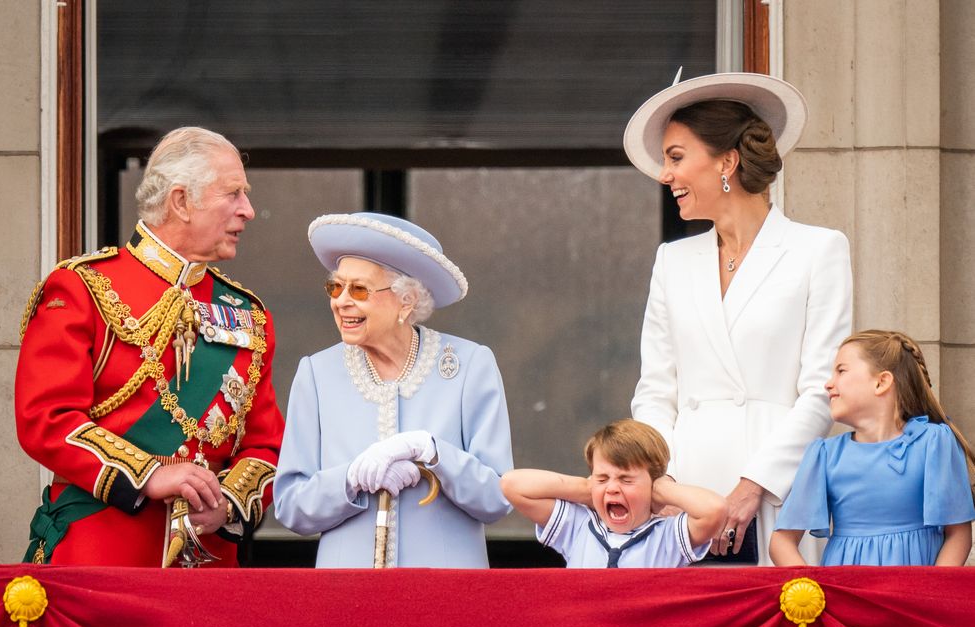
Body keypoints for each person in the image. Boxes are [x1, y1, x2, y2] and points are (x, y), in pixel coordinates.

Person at [16, 126, 285, 566]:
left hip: (208, 567)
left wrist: (228, 504)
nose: (249, 211)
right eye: (233, 194)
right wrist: (150, 476)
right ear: (181, 201)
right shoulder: (85, 287)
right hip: (101, 558)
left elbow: (267, 447)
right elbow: (46, 419)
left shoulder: (248, 314)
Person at [623, 72, 853, 565]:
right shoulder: (673, 260)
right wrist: (663, 483)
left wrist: (755, 485)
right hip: (683, 501)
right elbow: (656, 390)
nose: (666, 175)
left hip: (775, 492)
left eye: (677, 158)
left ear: (726, 161)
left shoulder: (818, 250)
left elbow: (821, 390)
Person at [273, 212, 513, 568]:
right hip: (347, 594)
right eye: (335, 287)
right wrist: (350, 478)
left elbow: (497, 499)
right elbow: (291, 507)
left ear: (407, 300)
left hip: (446, 594)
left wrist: (434, 454)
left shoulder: (469, 365)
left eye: (359, 290)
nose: (341, 301)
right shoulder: (316, 373)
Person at [770, 330, 975, 566]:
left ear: (881, 382)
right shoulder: (825, 455)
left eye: (841, 371)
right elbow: (781, 542)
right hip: (847, 596)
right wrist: (814, 595)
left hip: (911, 596)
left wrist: (929, 594)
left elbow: (958, 535)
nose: (828, 384)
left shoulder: (934, 442)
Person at [501, 418, 726, 568]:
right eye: (602, 478)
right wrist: (585, 490)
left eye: (626, 480)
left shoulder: (667, 537)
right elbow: (512, 484)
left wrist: (661, 489)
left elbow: (715, 509)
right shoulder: (578, 527)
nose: (612, 488)